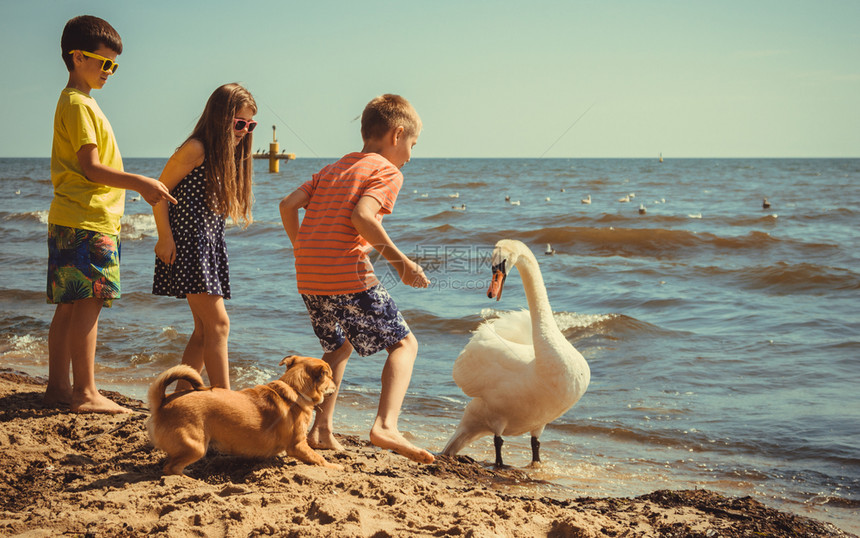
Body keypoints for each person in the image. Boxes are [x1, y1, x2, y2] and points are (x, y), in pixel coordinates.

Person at [279, 94, 434, 464]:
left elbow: (287, 205)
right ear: (397, 135)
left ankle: (320, 428)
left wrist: (302, 246)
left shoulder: (332, 168)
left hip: (309, 275)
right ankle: (386, 426)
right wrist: (402, 264)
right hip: (345, 274)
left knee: (339, 347)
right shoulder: (387, 170)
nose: (411, 155)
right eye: (412, 144)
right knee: (405, 346)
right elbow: (363, 217)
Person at [45, 15, 177, 413]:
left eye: (114, 65)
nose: (110, 72)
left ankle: (57, 387)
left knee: (70, 304)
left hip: (71, 215)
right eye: (105, 63)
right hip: (89, 218)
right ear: (77, 57)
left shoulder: (73, 102)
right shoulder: (80, 105)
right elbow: (92, 168)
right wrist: (141, 183)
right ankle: (85, 393)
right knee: (89, 303)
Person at [152, 84, 256, 390]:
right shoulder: (196, 148)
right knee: (218, 325)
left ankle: (183, 397)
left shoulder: (225, 155)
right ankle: (224, 401)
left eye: (250, 126)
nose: (244, 132)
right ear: (220, 118)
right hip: (188, 244)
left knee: (203, 329)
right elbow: (158, 193)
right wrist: (164, 238)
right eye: (239, 124)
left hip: (207, 246)